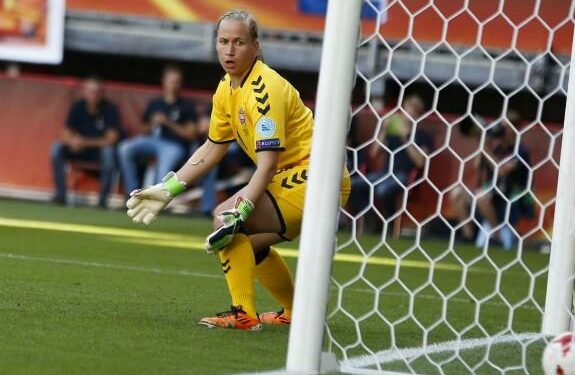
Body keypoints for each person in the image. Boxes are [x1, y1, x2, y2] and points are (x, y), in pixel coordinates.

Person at [125, 10, 351, 330]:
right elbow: (213, 148)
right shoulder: (226, 89)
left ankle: (243, 314)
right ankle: (294, 313)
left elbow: (268, 163)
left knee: (224, 218)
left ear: (255, 46)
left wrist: (242, 207)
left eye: (239, 42)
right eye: (223, 42)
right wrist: (169, 189)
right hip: (292, 177)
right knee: (245, 243)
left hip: (317, 175)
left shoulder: (264, 89)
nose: (229, 50)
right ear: (215, 45)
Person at [451, 112, 534, 249]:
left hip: (511, 198)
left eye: (505, 127)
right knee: (457, 193)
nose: (502, 131)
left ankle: (497, 237)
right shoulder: (497, 147)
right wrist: (482, 141)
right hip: (493, 195)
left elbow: (501, 170)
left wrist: (487, 151)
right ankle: (468, 236)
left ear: (514, 129)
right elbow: (477, 166)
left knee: (481, 196)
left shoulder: (521, 151)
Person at [118, 64, 198, 196]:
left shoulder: (186, 106)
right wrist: (153, 123)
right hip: (153, 140)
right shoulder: (156, 103)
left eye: (177, 82)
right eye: (171, 82)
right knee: (124, 148)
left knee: (162, 172)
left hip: (174, 145)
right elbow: (143, 129)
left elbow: (191, 134)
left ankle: (156, 198)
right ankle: (132, 194)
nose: (173, 85)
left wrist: (167, 122)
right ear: (164, 82)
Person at [349, 94, 432, 220]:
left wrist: (406, 138)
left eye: (412, 112)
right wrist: (383, 130)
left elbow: (420, 162)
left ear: (418, 115)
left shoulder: (423, 136)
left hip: (404, 176)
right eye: (406, 110)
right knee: (352, 184)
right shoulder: (393, 132)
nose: (407, 115)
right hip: (384, 173)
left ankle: (389, 222)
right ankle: (369, 217)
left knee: (382, 190)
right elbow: (374, 153)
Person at [50, 76, 121, 207]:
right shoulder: (78, 106)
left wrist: (85, 142)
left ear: (102, 93)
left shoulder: (110, 109)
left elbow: (111, 139)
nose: (93, 95)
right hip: (78, 149)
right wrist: (72, 142)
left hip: (98, 151)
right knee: (56, 148)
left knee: (109, 153)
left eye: (96, 91)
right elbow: (65, 133)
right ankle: (60, 195)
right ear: (84, 92)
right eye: (90, 91)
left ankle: (102, 200)